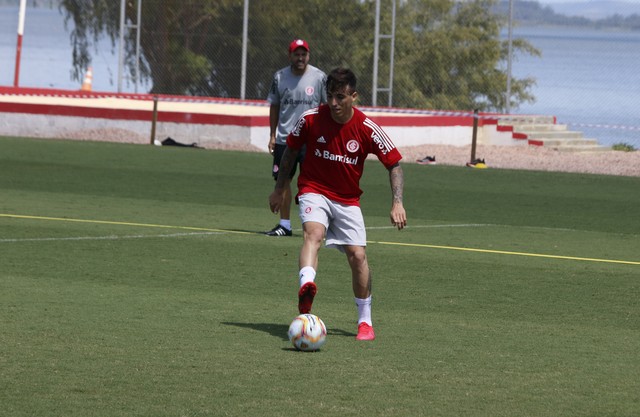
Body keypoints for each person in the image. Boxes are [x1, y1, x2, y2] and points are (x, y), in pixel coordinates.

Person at [268, 67, 407, 341]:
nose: (333, 103)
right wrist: (279, 188)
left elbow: (394, 165)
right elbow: (290, 153)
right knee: (313, 234)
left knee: (358, 256)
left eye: (340, 97)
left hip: (347, 199)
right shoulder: (309, 119)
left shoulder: (367, 128)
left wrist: (397, 203)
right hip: (313, 189)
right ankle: (306, 286)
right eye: (330, 96)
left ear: (353, 96)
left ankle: (365, 321)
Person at [264, 39, 327, 237]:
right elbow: (274, 106)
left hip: (311, 139)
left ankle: (319, 224)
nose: (300, 58)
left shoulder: (319, 77)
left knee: (315, 183)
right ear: (289, 56)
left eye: (303, 54)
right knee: (283, 181)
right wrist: (273, 135)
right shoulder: (280, 77)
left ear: (308, 55)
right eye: (296, 54)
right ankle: (285, 225)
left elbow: (326, 107)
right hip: (285, 138)